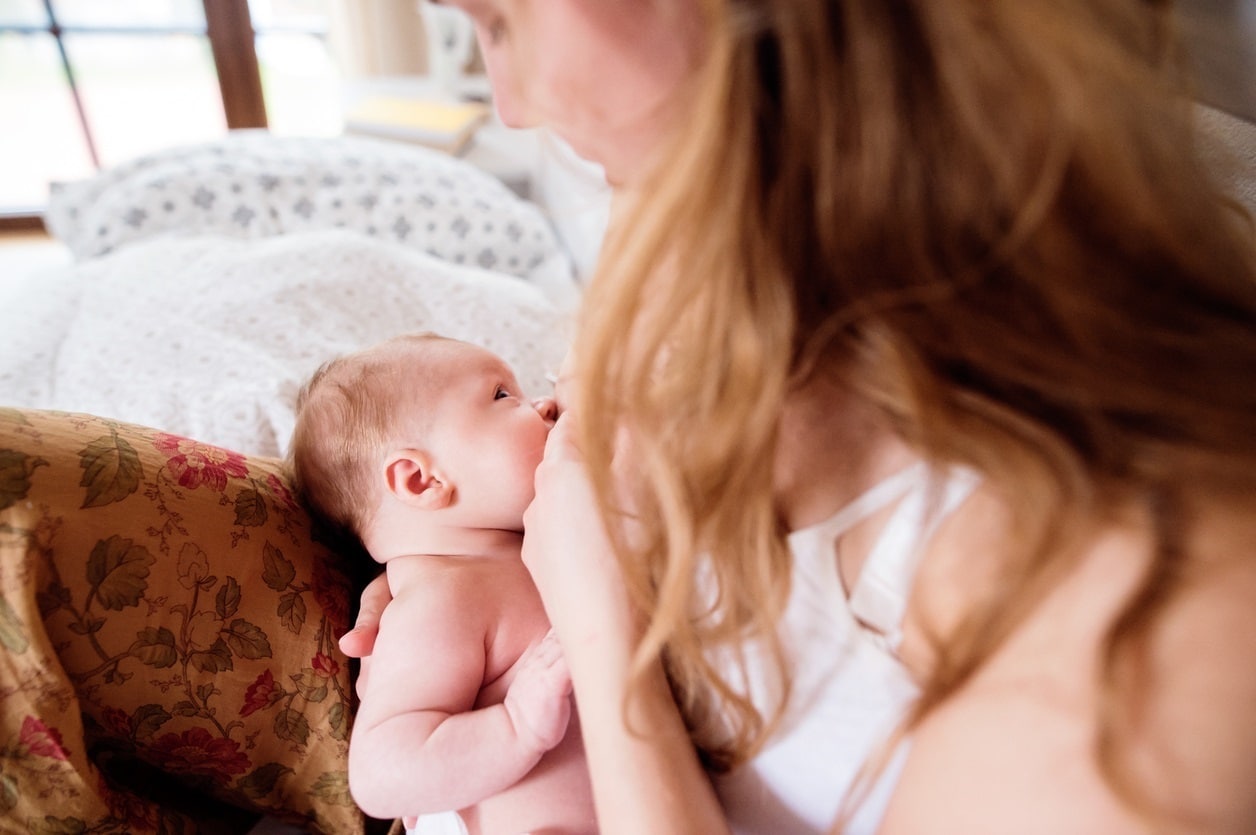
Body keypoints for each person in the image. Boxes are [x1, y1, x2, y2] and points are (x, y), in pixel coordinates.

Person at [344, 1, 1256, 832]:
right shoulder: (680, 282)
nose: (513, 105)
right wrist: (460, 569)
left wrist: (598, 633)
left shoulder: (1150, 596)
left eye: (502, 23)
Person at [289, 332, 595, 835]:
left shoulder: (520, 552)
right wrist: (515, 723)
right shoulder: (440, 599)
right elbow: (382, 775)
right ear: (421, 480)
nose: (544, 405)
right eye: (502, 395)